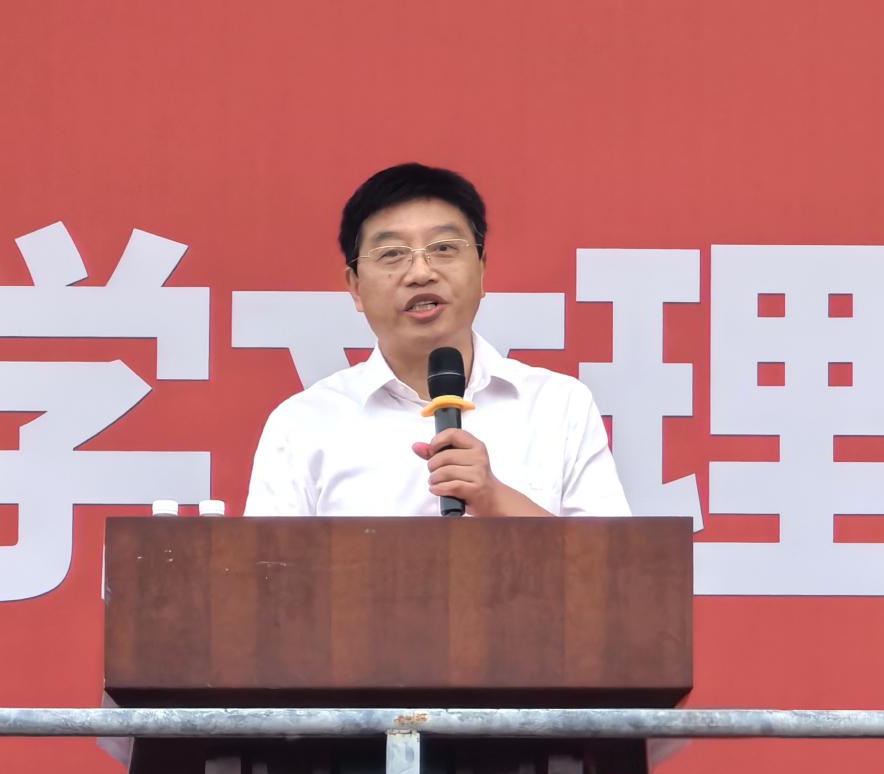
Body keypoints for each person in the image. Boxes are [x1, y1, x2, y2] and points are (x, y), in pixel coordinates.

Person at [245, 162, 630, 518]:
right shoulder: (304, 424)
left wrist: (496, 500)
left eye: (443, 248)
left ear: (482, 270)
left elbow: (611, 564)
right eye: (392, 253)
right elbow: (264, 566)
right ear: (356, 287)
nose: (420, 273)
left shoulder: (558, 405)